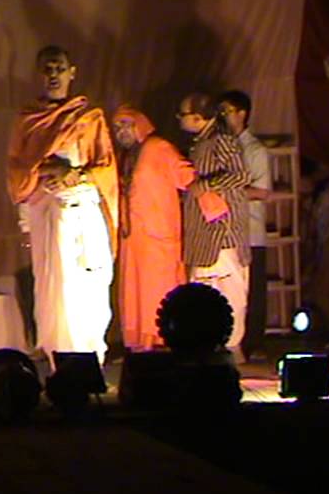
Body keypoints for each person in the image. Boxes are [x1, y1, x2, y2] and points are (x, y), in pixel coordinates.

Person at [7, 46, 118, 366]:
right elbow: (16, 169)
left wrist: (75, 174)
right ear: (38, 74)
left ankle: (90, 357)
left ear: (72, 72)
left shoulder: (89, 117)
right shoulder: (28, 119)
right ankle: (61, 359)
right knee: (55, 287)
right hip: (47, 211)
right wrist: (45, 170)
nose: (53, 75)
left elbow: (105, 165)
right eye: (47, 69)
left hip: (81, 207)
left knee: (87, 284)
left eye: (59, 68)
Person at [112, 105, 196, 352]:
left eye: (126, 124)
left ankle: (162, 342)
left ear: (140, 124)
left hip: (159, 236)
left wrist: (216, 210)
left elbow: (189, 178)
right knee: (134, 293)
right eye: (117, 127)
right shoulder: (124, 156)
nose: (121, 131)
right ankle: (140, 344)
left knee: (159, 291)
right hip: (132, 238)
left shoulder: (159, 148)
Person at [177, 92, 251, 363]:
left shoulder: (222, 140)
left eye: (183, 114)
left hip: (222, 233)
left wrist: (206, 185)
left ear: (199, 117)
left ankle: (232, 347)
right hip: (204, 233)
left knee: (229, 292)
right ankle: (209, 346)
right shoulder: (201, 143)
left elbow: (240, 174)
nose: (179, 119)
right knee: (204, 291)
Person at [216, 90, 271, 360]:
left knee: (253, 290)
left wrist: (226, 191)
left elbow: (262, 191)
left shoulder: (255, 150)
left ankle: (255, 343)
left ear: (242, 113)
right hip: (227, 231)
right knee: (231, 290)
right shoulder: (220, 146)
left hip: (250, 229)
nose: (223, 116)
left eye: (227, 111)